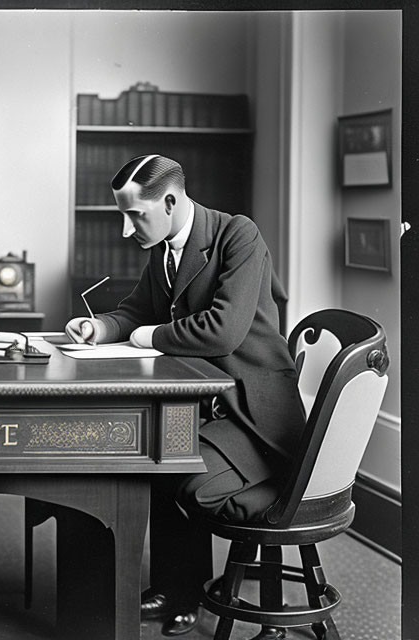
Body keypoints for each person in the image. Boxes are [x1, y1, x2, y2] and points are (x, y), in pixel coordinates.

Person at [65, 154, 306, 637]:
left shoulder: (238, 235)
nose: (126, 229)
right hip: (208, 404)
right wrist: (102, 326)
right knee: (157, 453)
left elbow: (223, 332)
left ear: (170, 201)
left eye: (136, 214)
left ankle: (189, 588)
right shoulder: (164, 246)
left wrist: (148, 337)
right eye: (123, 215)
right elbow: (137, 309)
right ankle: (177, 586)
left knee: (179, 473)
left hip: (255, 413)